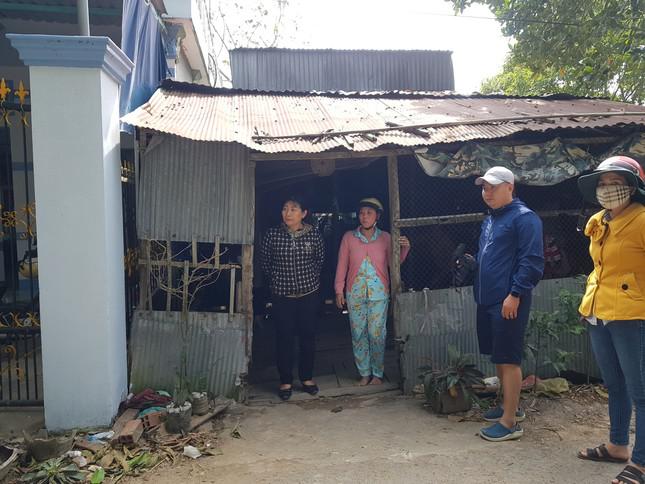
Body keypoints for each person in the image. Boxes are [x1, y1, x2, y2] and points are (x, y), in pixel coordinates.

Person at [575, 156, 645, 484]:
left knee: (640, 391)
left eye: (615, 182)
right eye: (602, 183)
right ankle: (618, 445)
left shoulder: (641, 220)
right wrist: (590, 304)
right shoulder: (599, 221)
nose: (607, 188)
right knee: (614, 384)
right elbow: (601, 267)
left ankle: (641, 463)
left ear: (632, 187)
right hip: (599, 310)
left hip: (633, 314)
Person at [473, 166, 544, 442]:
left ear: (510, 187)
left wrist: (515, 294)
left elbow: (531, 262)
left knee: (509, 358)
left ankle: (510, 422)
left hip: (509, 300)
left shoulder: (525, 218)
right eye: (484, 187)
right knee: (498, 355)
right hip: (488, 298)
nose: (487, 192)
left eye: (492, 187)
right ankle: (508, 406)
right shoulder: (493, 218)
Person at [334, 197, 410, 386]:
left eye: (369, 213)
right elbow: (342, 265)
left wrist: (405, 249)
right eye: (361, 213)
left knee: (377, 334)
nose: (364, 216)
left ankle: (377, 373)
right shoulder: (349, 238)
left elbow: (393, 264)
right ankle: (364, 373)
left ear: (377, 216)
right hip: (355, 294)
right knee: (358, 333)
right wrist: (339, 290)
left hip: (379, 293)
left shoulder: (385, 238)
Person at [260, 195, 325, 401]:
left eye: (293, 209)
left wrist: (309, 279)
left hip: (308, 294)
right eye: (285, 208)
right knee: (284, 337)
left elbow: (319, 260)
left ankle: (306, 378)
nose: (287, 213)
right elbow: (265, 263)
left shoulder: (313, 234)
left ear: (303, 213)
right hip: (282, 295)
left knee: (307, 336)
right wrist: (278, 281)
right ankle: (285, 381)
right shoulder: (272, 235)